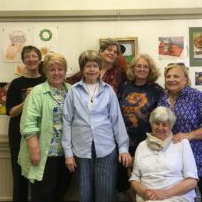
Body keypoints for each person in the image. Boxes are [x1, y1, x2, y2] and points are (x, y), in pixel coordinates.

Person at [62, 50, 132, 202]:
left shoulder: (108, 91)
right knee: (84, 193)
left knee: (105, 192)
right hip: (81, 149)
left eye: (95, 66)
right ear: (83, 69)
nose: (92, 69)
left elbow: (116, 120)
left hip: (106, 147)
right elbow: (67, 121)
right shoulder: (73, 91)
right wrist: (68, 153)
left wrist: (123, 148)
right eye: (88, 66)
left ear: (100, 68)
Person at [158, 63, 202, 202]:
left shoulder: (199, 97)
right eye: (168, 76)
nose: (171, 79)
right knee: (184, 198)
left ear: (186, 80)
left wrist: (187, 136)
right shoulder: (162, 99)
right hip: (179, 160)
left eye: (176, 76)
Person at [18, 53, 72, 202]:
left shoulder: (70, 89)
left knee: (60, 193)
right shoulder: (37, 92)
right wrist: (34, 150)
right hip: (44, 153)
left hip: (66, 154)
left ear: (65, 71)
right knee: (43, 195)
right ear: (46, 72)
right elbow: (28, 124)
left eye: (60, 69)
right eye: (52, 70)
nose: (57, 73)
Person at [117, 54, 164, 201]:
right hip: (123, 142)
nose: (142, 69)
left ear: (150, 70)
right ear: (133, 68)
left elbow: (160, 116)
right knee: (122, 179)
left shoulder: (157, 89)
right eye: (139, 66)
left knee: (144, 177)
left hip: (147, 143)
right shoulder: (124, 86)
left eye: (145, 66)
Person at [130, 106, 198, 202]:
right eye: (156, 123)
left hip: (177, 196)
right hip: (148, 197)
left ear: (171, 126)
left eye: (164, 124)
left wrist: (164, 194)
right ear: (151, 124)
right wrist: (145, 192)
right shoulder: (142, 146)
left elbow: (192, 181)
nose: (160, 128)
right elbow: (135, 178)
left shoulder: (182, 144)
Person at [6, 45, 45, 202]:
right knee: (19, 177)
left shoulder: (46, 81)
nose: (31, 59)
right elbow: (11, 112)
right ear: (23, 60)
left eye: (34, 56)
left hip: (41, 134)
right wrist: (27, 100)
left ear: (39, 59)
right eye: (27, 56)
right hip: (18, 135)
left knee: (41, 178)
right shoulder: (16, 84)